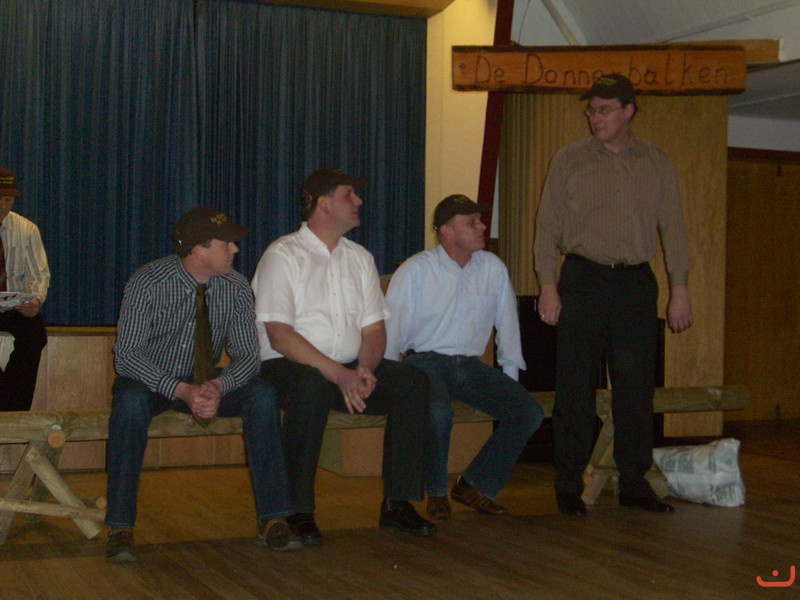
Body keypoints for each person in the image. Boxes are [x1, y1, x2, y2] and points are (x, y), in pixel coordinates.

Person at [534, 73, 693, 516]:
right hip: (582, 279)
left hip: (635, 284)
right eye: (591, 110)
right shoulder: (570, 159)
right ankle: (569, 484)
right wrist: (548, 285)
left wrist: (679, 288)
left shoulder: (656, 161)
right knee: (575, 386)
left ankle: (634, 483)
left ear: (629, 111)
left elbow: (673, 228)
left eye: (604, 110)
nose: (595, 118)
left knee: (636, 387)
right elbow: (546, 228)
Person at [105, 206, 301, 562]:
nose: (235, 249)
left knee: (263, 394)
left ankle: (273, 518)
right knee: (130, 403)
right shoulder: (147, 282)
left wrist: (220, 386)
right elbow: (127, 357)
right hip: (152, 381)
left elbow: (249, 356)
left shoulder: (236, 286)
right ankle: (120, 525)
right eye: (227, 244)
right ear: (198, 250)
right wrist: (180, 389)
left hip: (205, 378)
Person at [252, 167, 435, 545]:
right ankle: (296, 508)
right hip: (289, 367)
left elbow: (374, 330)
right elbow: (280, 336)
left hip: (347, 369)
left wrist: (365, 369)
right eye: (349, 194)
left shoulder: (360, 258)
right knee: (310, 384)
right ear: (323, 203)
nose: (359, 201)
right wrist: (339, 374)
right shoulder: (282, 254)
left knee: (411, 381)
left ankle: (397, 502)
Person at [384, 194, 544, 521]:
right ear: (446, 231)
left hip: (470, 366)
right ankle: (436, 491)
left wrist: (509, 382)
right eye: (471, 222)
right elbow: (392, 329)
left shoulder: (492, 268)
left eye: (480, 220)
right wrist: (388, 379)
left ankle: (473, 484)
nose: (482, 227)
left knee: (528, 411)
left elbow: (508, 325)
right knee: (438, 412)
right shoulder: (416, 270)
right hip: (424, 362)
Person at [0, 167, 50, 411]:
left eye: (8, 199)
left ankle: (15, 409)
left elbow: (38, 274)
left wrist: (35, 301)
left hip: (13, 305)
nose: (3, 205)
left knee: (35, 335)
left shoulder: (27, 229)